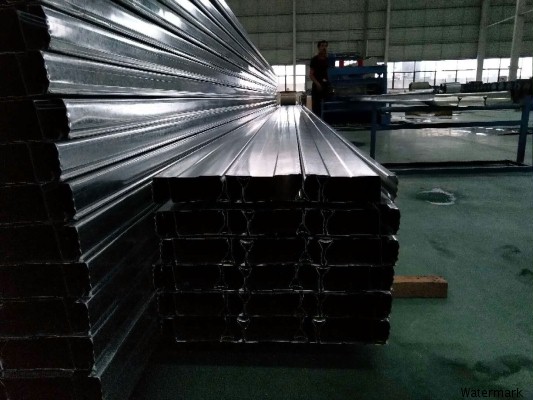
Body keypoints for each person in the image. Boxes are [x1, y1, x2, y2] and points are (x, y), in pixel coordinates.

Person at [309, 40, 329, 116]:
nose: (324, 48)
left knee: (327, 108)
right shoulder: (314, 60)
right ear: (318, 47)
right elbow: (311, 75)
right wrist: (318, 84)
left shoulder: (328, 60)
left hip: (326, 86)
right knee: (316, 108)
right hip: (317, 87)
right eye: (322, 46)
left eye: (325, 46)